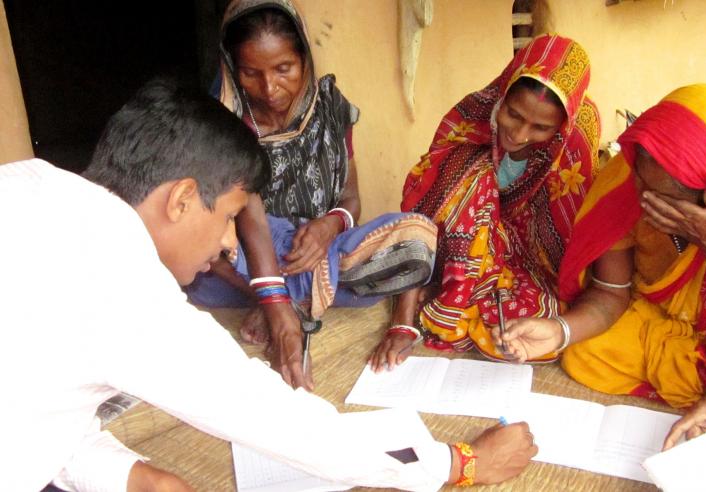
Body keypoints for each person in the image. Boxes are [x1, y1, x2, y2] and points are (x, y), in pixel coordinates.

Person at [0, 78, 538, 491]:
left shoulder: (28, 182)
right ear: (182, 198)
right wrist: (462, 463)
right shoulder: (124, 292)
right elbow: (296, 431)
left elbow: (36, 405)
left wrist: (129, 474)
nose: (231, 243)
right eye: (232, 215)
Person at [185, 0, 437, 390]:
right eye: (251, 73)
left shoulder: (332, 109)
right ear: (233, 67)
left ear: (304, 57)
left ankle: (294, 300)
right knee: (199, 255)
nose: (269, 88)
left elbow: (351, 199)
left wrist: (329, 226)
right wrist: (269, 298)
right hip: (244, 263)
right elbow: (210, 228)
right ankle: (281, 301)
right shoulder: (219, 122)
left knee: (416, 241)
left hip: (322, 252)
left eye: (283, 69)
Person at [497, 83, 706, 410]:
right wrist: (559, 332)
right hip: (660, 318)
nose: (643, 199)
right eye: (641, 179)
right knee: (585, 351)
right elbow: (611, 292)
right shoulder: (624, 182)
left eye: (666, 200)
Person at [369, 34, 601, 371]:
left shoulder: (575, 141)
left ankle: (451, 294)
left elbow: (571, 239)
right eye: (513, 114)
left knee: (535, 327)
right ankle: (440, 287)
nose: (519, 135)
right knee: (466, 171)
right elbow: (423, 214)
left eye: (541, 128)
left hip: (530, 265)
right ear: (503, 93)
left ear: (562, 127)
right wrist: (402, 323)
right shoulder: (471, 116)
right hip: (461, 252)